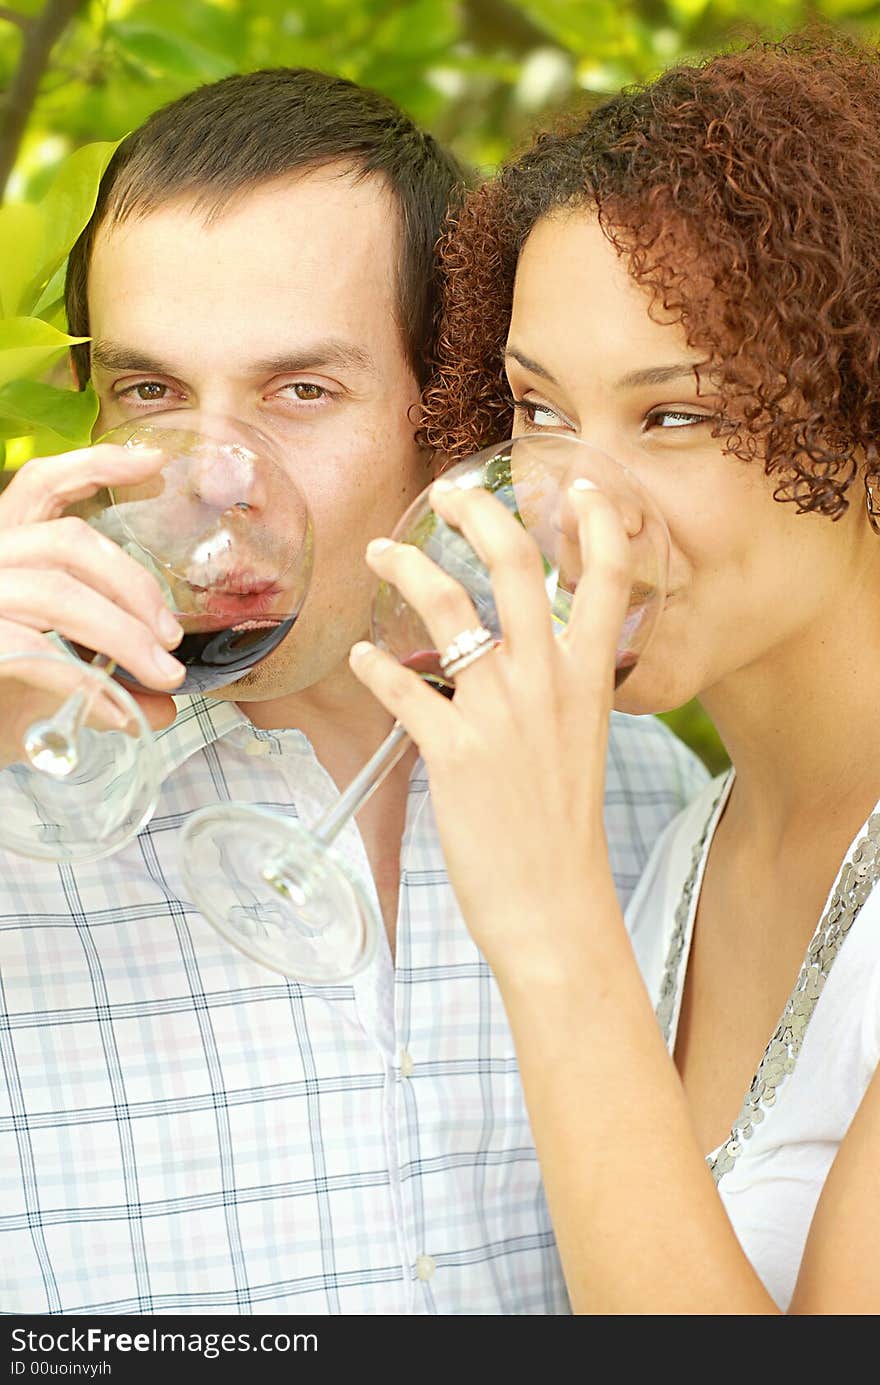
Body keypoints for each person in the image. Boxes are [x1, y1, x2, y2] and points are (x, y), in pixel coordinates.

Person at [0, 68, 707, 1314]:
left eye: (301, 392)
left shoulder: (651, 801)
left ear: (450, 421)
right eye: (151, 391)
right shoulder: (23, 785)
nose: (213, 479)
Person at [348, 31, 880, 1313]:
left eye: (677, 415)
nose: (574, 508)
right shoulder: (687, 843)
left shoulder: (590, 884)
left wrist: (548, 925)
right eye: (537, 411)